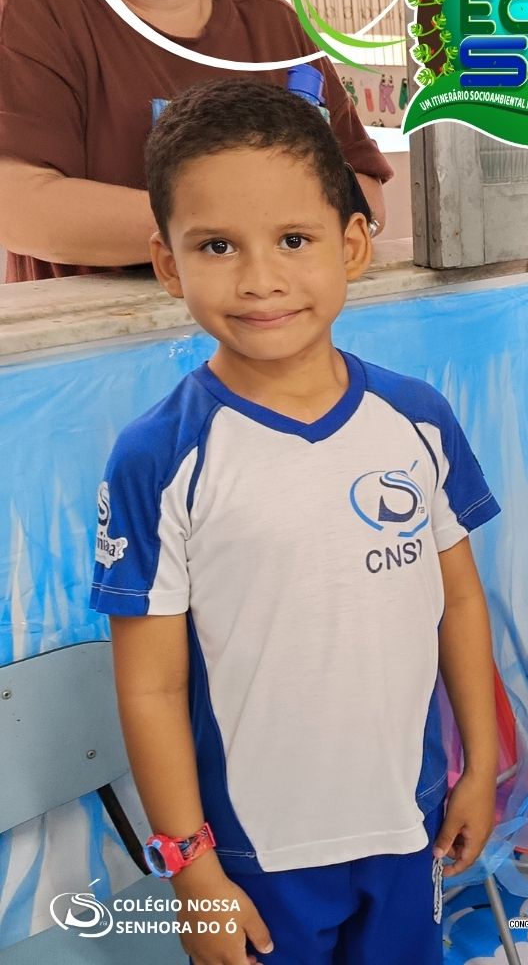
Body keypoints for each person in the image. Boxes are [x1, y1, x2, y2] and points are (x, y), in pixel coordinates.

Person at [90, 79, 498, 965]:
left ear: (352, 245)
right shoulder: (158, 457)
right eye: (217, 245)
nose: (260, 278)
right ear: (168, 263)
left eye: (293, 240)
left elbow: (460, 604)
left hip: (407, 824)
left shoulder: (417, 419)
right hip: (253, 856)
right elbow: (150, 688)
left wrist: (480, 764)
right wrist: (192, 869)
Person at [0, 0, 390, 282]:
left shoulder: (273, 23)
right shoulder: (39, 5)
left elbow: (364, 192)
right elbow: (20, 209)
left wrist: (224, 227)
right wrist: (268, 225)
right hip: (110, 322)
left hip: (280, 316)